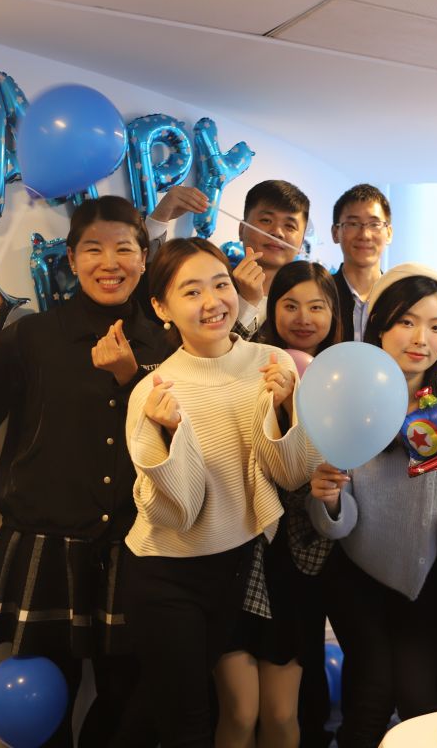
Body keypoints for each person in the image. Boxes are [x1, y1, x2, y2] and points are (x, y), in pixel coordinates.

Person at [0, 195, 168, 747]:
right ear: (71, 259)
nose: (109, 263)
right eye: (92, 249)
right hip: (46, 548)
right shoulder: (34, 335)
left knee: (129, 707)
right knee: (45, 706)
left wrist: (134, 379)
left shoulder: (167, 345)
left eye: (124, 249)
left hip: (136, 549)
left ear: (144, 258)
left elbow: (186, 443)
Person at [121, 238, 315, 747]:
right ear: (161, 307)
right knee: (185, 726)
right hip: (167, 573)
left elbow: (291, 474)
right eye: (191, 291)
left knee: (169, 714)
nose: (212, 302)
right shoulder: (155, 391)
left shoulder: (272, 362)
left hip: (233, 567)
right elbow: (177, 514)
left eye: (221, 284)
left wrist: (287, 408)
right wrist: (168, 435)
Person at [307, 263, 437, 748]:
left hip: (424, 577)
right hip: (355, 575)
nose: (422, 339)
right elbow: (339, 524)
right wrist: (329, 501)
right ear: (380, 326)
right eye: (407, 321)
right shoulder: (347, 397)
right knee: (371, 696)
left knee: (422, 702)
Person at [253, 260, 343, 748]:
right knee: (250, 682)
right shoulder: (251, 363)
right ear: (272, 309)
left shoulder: (347, 374)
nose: (303, 318)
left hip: (316, 542)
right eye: (290, 305)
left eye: (317, 307)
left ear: (334, 313)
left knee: (301, 666)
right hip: (255, 538)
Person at [233, 180, 311, 339]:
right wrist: (247, 302)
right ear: (242, 229)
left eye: (290, 226)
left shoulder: (306, 306)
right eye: (266, 220)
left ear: (301, 243)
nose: (277, 233)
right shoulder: (214, 286)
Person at [331, 184, 393, 341]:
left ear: (389, 233)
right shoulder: (321, 295)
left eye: (374, 224)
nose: (364, 235)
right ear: (335, 233)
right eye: (353, 224)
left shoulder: (399, 299)